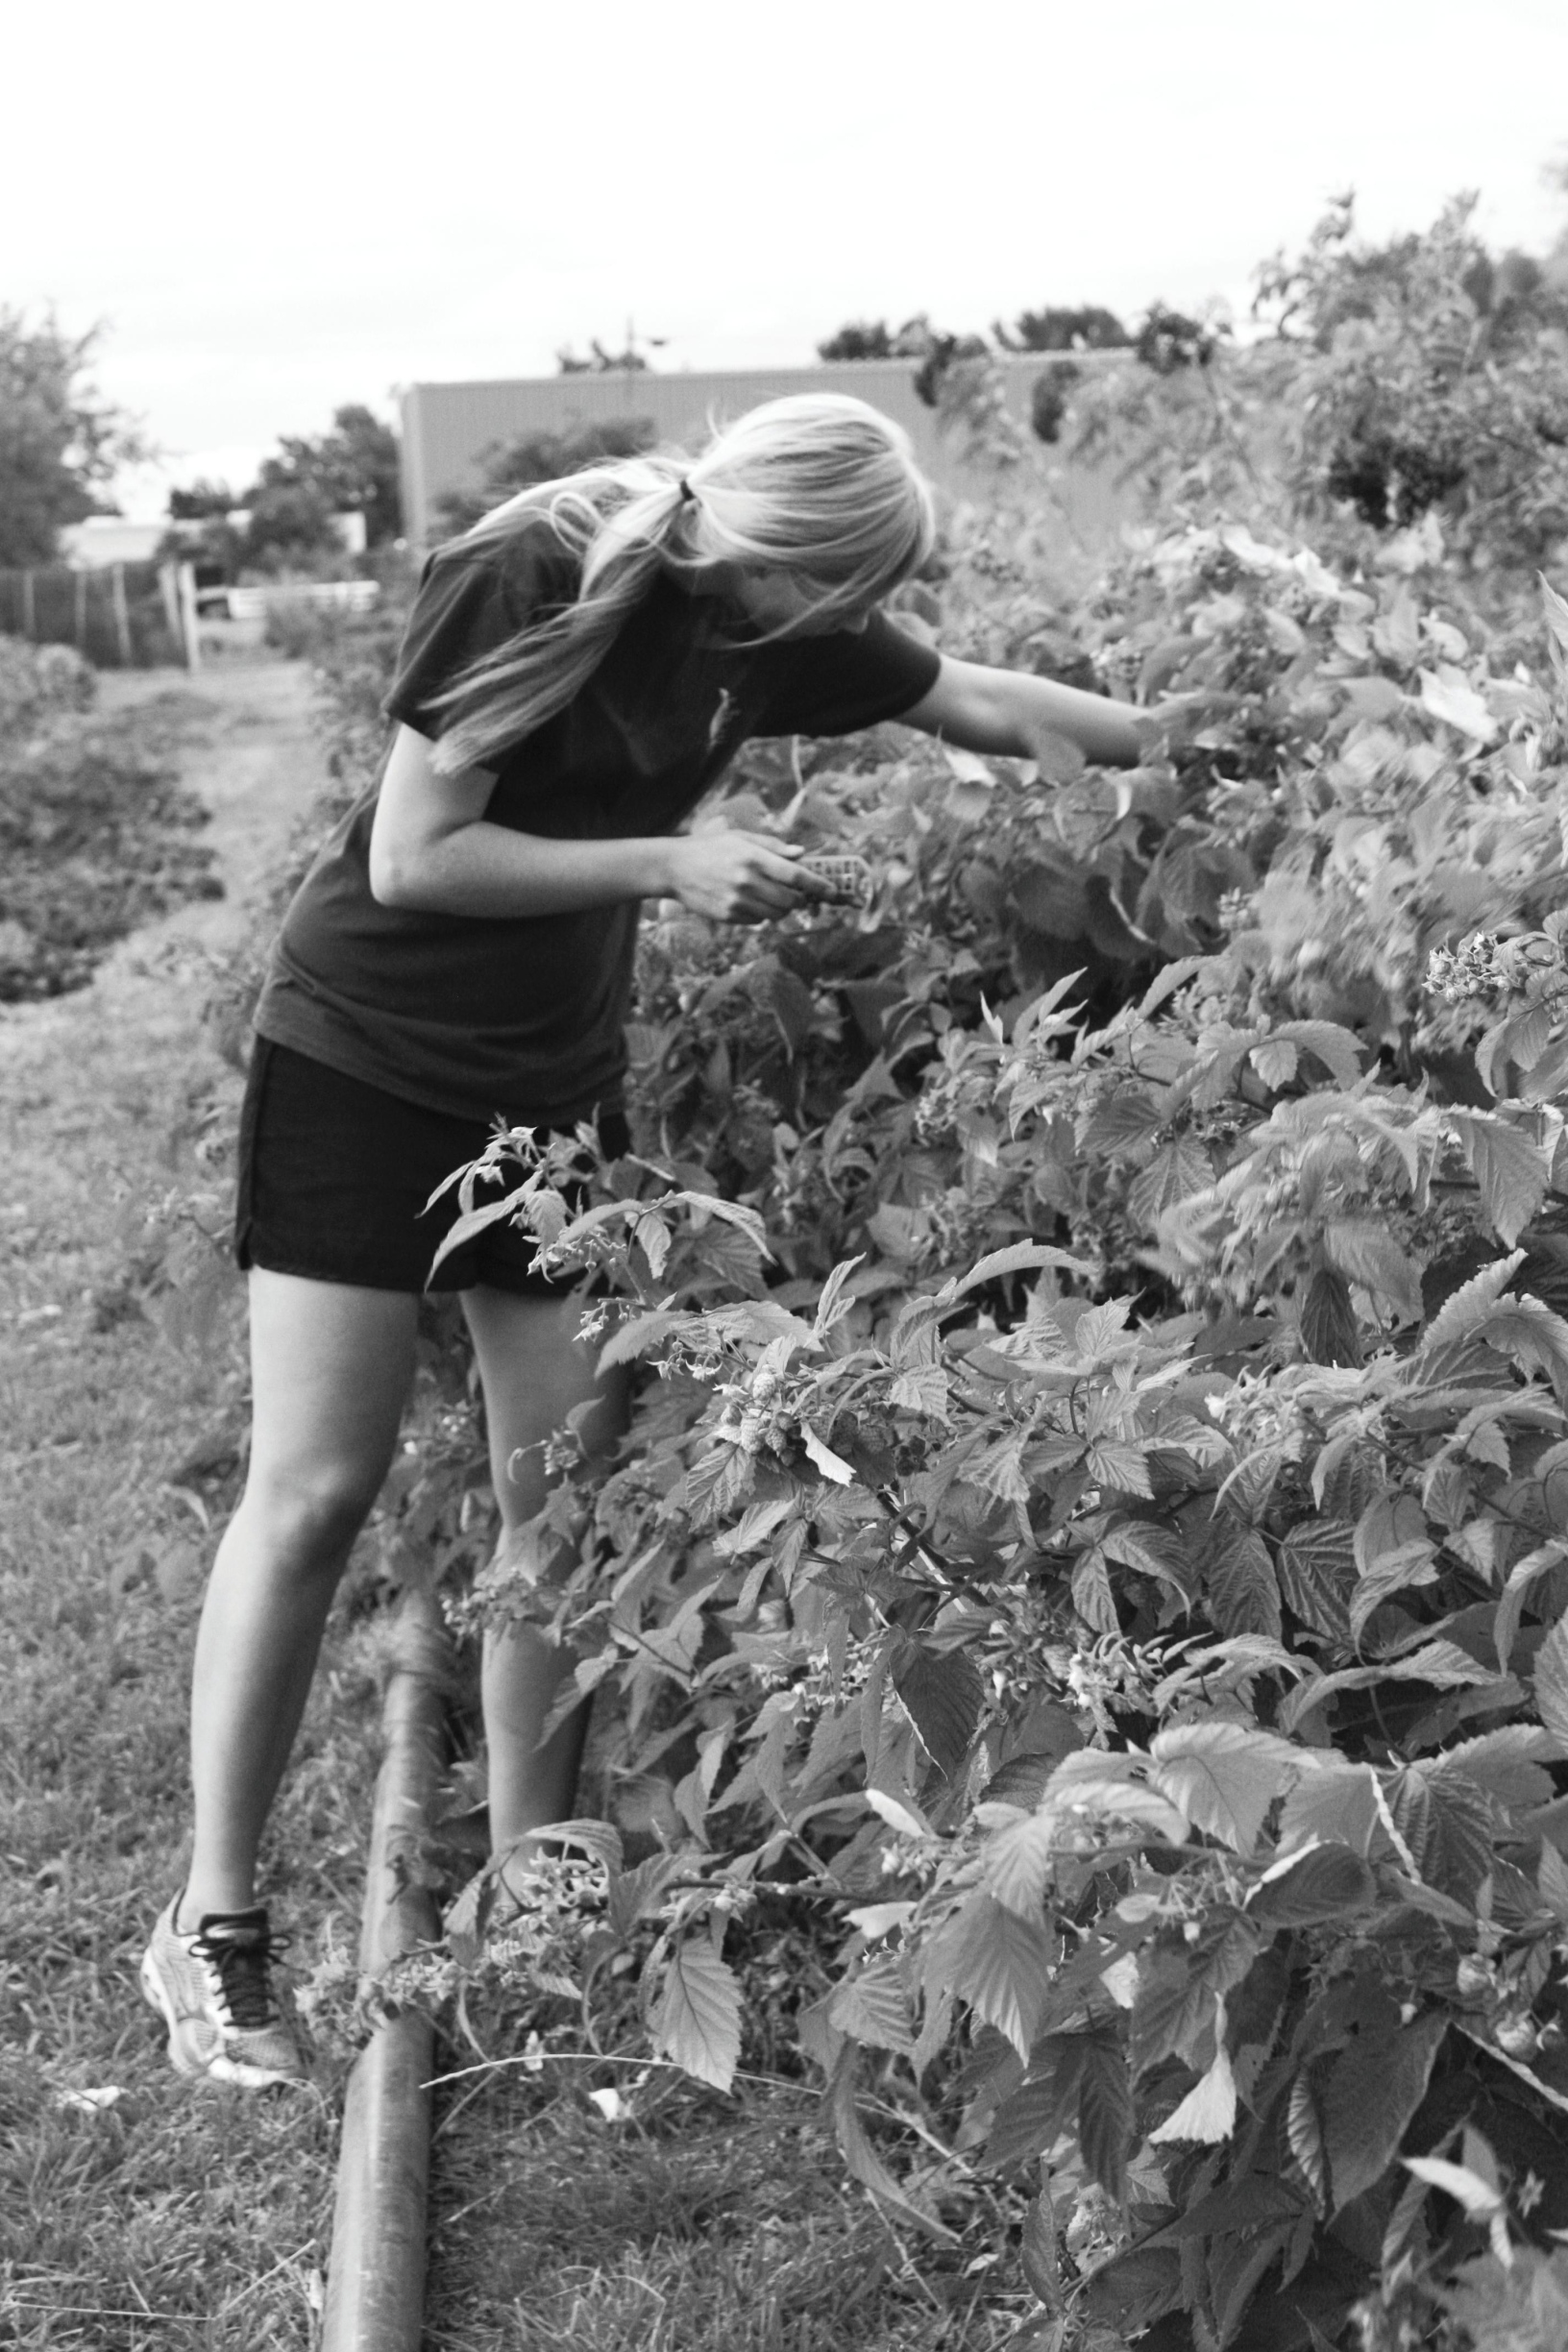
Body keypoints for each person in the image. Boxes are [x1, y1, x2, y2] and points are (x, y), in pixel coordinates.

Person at [137, 392, 1143, 2088]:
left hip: (549, 1100)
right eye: (842, 596)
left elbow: (971, 698)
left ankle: (539, 1904)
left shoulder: (776, 629)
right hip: (362, 1063)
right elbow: (413, 855)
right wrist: (674, 862)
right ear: (776, 557)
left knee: (560, 1517)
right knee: (315, 1491)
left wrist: (1182, 728)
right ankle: (211, 1933)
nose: (851, 633)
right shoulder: (538, 571)